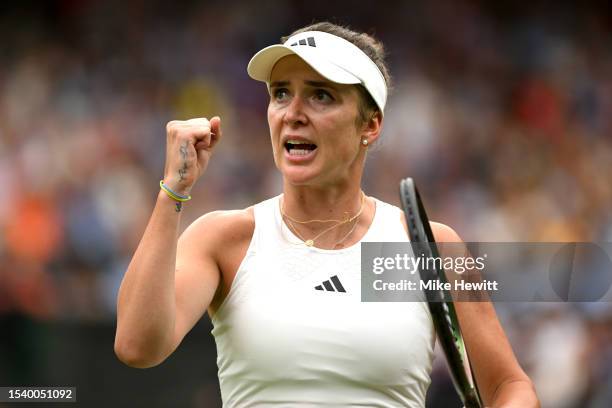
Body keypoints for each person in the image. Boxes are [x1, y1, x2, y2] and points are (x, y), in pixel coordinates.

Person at [114, 22, 539, 407]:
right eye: (281, 92)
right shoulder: (224, 238)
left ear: (370, 125)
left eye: (321, 95)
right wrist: (174, 190)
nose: (293, 113)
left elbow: (510, 388)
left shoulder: (426, 246)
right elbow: (137, 345)